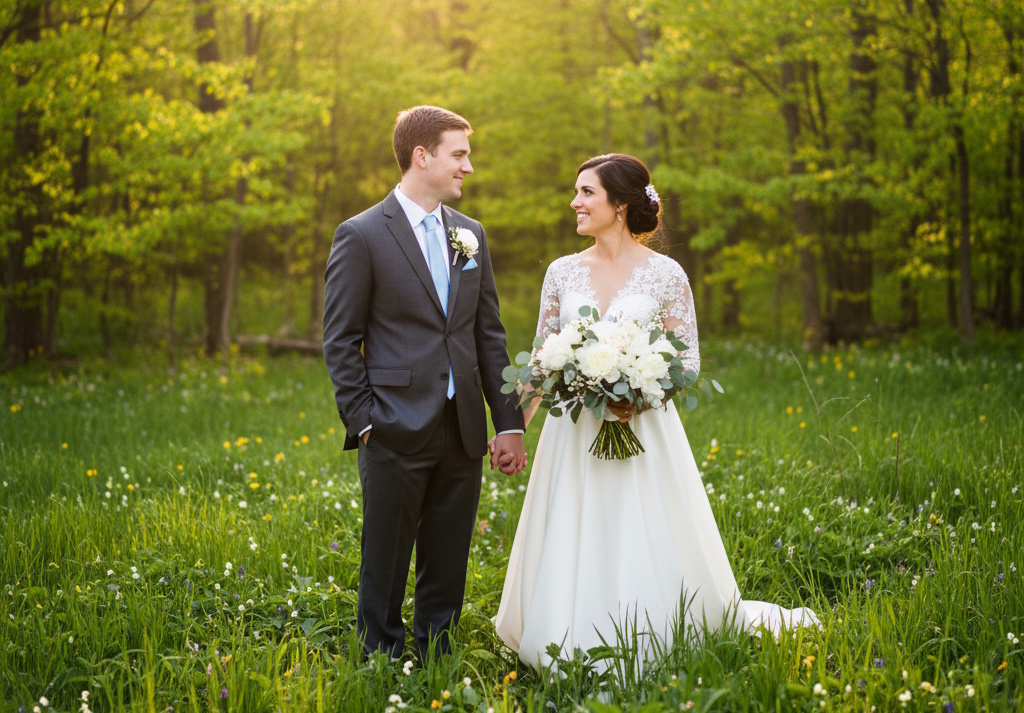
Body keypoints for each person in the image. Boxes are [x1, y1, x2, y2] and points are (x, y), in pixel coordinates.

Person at [493, 153, 818, 672]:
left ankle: (648, 629)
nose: (574, 203)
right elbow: (540, 356)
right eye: (575, 192)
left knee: (637, 525)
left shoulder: (666, 276)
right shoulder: (561, 272)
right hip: (573, 431)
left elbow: (686, 361)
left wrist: (639, 395)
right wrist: (516, 429)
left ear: (619, 205)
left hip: (641, 426)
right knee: (574, 525)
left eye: (585, 193)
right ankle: (563, 633)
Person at [322, 106, 527, 661]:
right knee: (384, 559)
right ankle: (380, 664)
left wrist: (507, 423)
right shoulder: (362, 235)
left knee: (448, 556)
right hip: (391, 426)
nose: (469, 167)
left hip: (461, 429)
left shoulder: (471, 235)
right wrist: (365, 422)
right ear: (422, 156)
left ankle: (437, 659)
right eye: (459, 154)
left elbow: (489, 335)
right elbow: (340, 340)